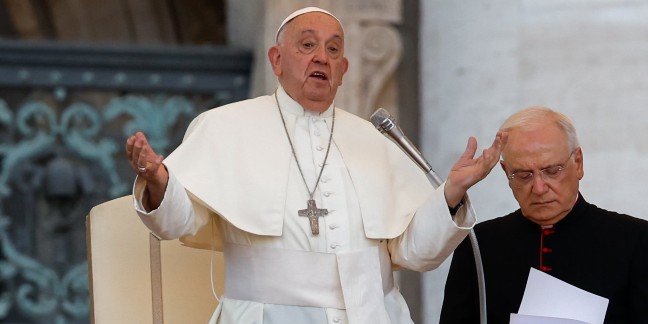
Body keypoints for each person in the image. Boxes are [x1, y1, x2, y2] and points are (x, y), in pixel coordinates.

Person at [125, 7, 506, 324]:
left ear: (343, 70)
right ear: (276, 60)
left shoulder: (375, 140)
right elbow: (178, 222)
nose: (321, 57)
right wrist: (159, 180)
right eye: (307, 45)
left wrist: (452, 192)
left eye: (333, 50)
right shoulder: (223, 127)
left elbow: (413, 252)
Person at [440, 106, 648, 323]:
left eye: (552, 171)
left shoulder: (636, 240)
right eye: (523, 175)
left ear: (578, 163)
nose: (539, 188)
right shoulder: (478, 244)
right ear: (506, 173)